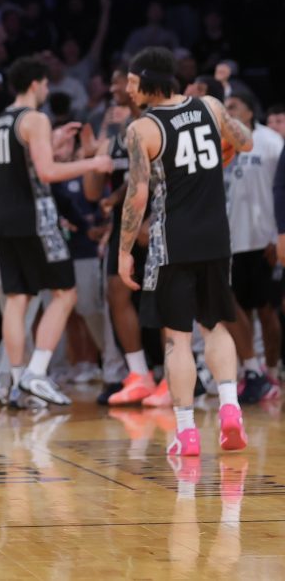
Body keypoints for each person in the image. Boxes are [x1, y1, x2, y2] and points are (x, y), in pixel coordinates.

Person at [118, 46, 252, 457]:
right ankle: (230, 409)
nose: (127, 88)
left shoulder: (142, 129)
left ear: (150, 82)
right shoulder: (210, 105)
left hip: (171, 240)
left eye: (133, 81)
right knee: (215, 326)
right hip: (216, 236)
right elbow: (243, 142)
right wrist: (223, 149)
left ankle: (186, 432)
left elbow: (137, 197)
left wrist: (124, 250)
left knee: (177, 339)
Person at [0, 56, 112, 410]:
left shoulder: (4, 118)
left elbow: (26, 162)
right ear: (36, 84)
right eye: (45, 84)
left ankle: (16, 383)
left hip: (7, 219)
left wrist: (53, 140)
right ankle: (37, 372)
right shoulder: (35, 118)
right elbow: (45, 172)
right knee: (66, 293)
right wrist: (92, 163)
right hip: (36, 218)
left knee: (17, 299)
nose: (47, 90)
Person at [84, 67, 161, 406]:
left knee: (162, 298)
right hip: (125, 225)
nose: (115, 87)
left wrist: (150, 219)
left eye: (122, 82)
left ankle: (173, 376)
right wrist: (90, 157)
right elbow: (91, 192)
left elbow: (155, 179)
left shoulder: (157, 124)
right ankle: (138, 373)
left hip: (158, 219)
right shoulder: (114, 133)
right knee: (117, 291)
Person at [221, 90, 282, 402]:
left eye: (233, 106)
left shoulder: (271, 141)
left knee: (267, 311)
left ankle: (272, 371)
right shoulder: (223, 143)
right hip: (232, 240)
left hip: (264, 239)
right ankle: (252, 370)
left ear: (249, 110)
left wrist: (277, 234)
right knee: (237, 308)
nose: (228, 111)